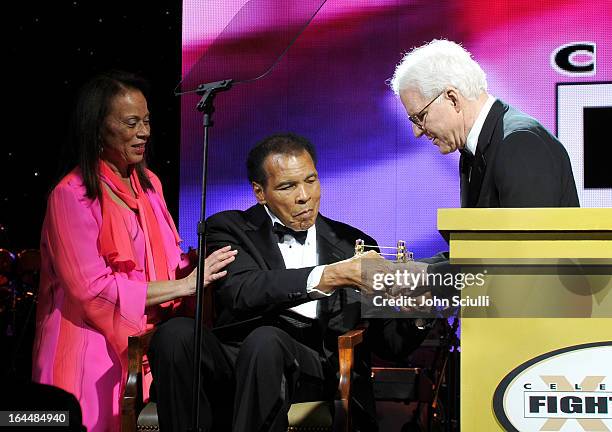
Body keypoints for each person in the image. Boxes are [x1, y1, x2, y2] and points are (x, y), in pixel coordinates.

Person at [149, 133, 428, 432]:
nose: (304, 196)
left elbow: (388, 344)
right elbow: (242, 290)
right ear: (260, 191)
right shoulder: (229, 228)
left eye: (311, 180)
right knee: (175, 333)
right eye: (287, 186)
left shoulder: (352, 245)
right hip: (236, 358)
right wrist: (331, 275)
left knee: (267, 342)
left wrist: (418, 312)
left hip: (309, 368)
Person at [31, 71, 236, 432]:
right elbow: (93, 291)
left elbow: (167, 262)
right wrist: (185, 286)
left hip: (146, 341)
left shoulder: (149, 183)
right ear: (97, 129)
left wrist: (207, 263)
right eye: (131, 123)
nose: (145, 132)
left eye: (147, 120)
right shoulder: (72, 195)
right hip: (90, 346)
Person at [390, 39, 579, 208]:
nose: (417, 131)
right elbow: (482, 245)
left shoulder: (520, 143)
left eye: (420, 117)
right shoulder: (473, 149)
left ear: (452, 98)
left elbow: (528, 244)